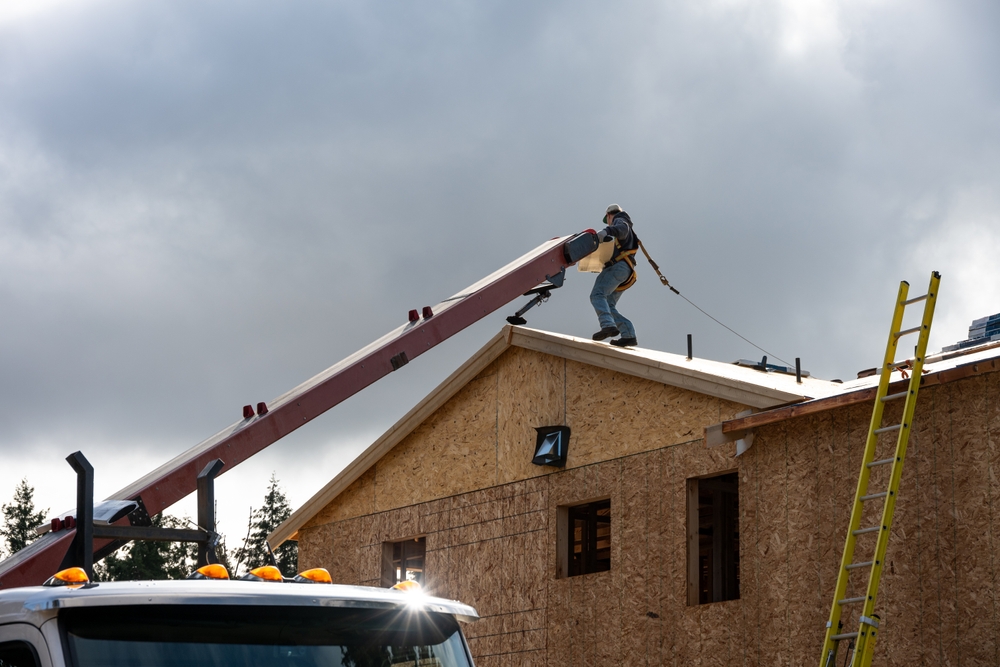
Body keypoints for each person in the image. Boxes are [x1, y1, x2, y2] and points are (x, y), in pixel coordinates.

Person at [591, 204, 638, 347]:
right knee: (609, 305)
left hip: (618, 268)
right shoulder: (625, 225)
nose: (609, 222)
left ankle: (607, 325)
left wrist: (606, 231)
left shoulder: (620, 220)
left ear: (610, 215)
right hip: (625, 271)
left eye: (608, 219)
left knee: (597, 295)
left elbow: (621, 230)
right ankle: (628, 334)